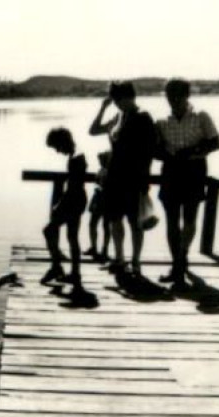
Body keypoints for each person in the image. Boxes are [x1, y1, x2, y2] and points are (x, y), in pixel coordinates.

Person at [154, 79, 219, 290]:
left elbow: (216, 142)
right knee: (172, 221)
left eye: (176, 95)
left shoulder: (201, 116)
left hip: (194, 171)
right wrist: (168, 154)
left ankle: (181, 261)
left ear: (186, 96)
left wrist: (193, 151)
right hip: (171, 171)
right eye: (168, 96)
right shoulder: (162, 121)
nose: (172, 100)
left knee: (189, 219)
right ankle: (177, 266)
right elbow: (155, 150)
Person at [89, 81, 157, 276]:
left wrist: (143, 180)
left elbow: (149, 151)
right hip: (113, 178)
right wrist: (103, 107)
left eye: (120, 99)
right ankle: (119, 259)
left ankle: (135, 261)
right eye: (115, 100)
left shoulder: (143, 117)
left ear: (130, 97)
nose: (117, 103)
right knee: (114, 220)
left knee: (135, 223)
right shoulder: (118, 116)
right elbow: (93, 130)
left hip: (134, 179)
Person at [41, 127, 88, 293]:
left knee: (48, 230)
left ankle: (56, 266)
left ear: (62, 143)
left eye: (56, 147)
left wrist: (59, 206)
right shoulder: (76, 154)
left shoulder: (75, 158)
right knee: (72, 237)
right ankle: (75, 274)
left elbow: (73, 187)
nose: (56, 151)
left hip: (73, 200)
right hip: (78, 199)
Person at [86, 150, 111, 262]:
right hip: (102, 198)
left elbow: (101, 183)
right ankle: (100, 248)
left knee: (98, 224)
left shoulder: (106, 170)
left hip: (103, 198)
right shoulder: (103, 170)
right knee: (101, 224)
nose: (100, 161)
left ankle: (99, 248)